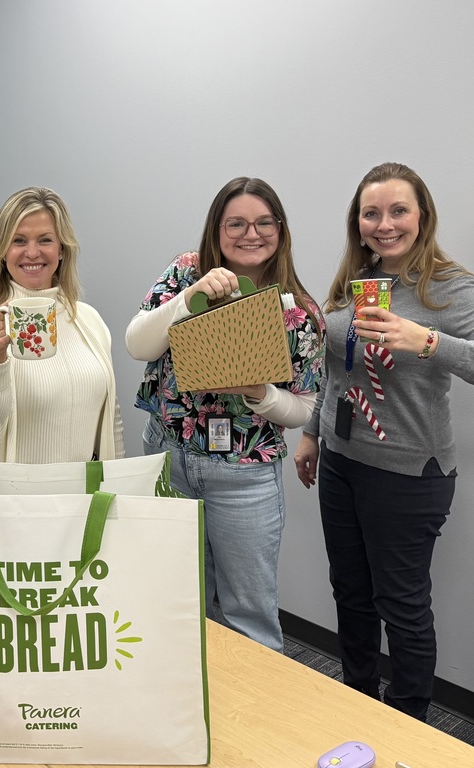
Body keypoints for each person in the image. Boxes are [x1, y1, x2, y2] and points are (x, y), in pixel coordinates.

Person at [294, 162, 474, 720]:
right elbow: (338, 369)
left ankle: (409, 724)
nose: (385, 224)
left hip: (408, 474)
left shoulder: (451, 287)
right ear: (357, 224)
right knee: (350, 595)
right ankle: (356, 700)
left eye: (398, 210)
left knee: (402, 608)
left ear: (422, 216)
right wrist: (311, 434)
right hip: (339, 461)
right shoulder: (356, 281)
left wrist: (426, 340)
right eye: (371, 213)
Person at [126, 177, 325, 652]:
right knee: (178, 599)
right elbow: (137, 344)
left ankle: (255, 717)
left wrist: (259, 393)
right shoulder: (185, 272)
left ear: (280, 229)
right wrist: (187, 296)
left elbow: (303, 408)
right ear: (217, 229)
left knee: (248, 612)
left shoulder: (298, 312)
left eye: (263, 223)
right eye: (235, 223)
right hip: (169, 456)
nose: (249, 234)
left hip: (244, 476)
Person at [0, 186, 123, 462]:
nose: (33, 252)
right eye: (19, 241)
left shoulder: (89, 320)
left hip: (83, 497)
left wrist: (118, 485)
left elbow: (111, 418)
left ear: (62, 249)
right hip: (11, 496)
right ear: (2, 252)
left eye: (45, 240)